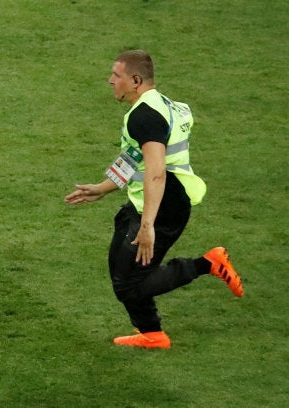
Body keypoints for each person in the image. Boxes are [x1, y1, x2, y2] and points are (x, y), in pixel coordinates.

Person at [64, 50, 243, 349]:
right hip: (160, 201)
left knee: (129, 283)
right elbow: (136, 156)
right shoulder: (163, 106)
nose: (110, 81)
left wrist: (148, 225)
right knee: (124, 272)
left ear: (135, 80)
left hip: (163, 206)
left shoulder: (145, 116)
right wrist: (103, 187)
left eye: (116, 76)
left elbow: (157, 172)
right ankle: (152, 333)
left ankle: (208, 263)